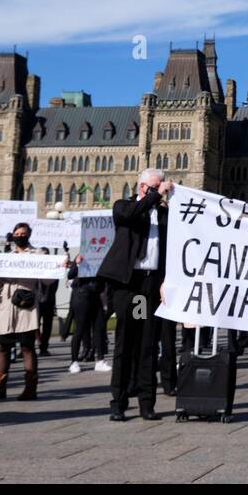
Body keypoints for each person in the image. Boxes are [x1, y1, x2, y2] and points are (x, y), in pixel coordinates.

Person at [99, 167, 172, 421]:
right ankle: (118, 401)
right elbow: (131, 215)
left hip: (147, 287)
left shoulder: (163, 215)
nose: (159, 191)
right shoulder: (125, 207)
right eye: (154, 187)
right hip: (127, 283)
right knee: (124, 342)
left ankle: (146, 402)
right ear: (142, 187)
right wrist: (152, 197)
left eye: (160, 187)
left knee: (147, 343)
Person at [0, 224, 58, 401]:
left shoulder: (38, 254)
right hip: (6, 304)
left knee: (27, 347)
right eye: (16, 234)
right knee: (3, 347)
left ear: (29, 235)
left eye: (23, 234)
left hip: (26, 304)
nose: (19, 236)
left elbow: (47, 280)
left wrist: (58, 267)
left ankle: (30, 388)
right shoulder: (7, 257)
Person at [66, 251, 110, 374]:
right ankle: (73, 362)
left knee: (99, 328)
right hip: (81, 296)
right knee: (80, 329)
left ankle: (100, 360)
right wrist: (77, 264)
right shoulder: (81, 255)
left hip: (96, 296)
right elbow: (70, 275)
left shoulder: (102, 256)